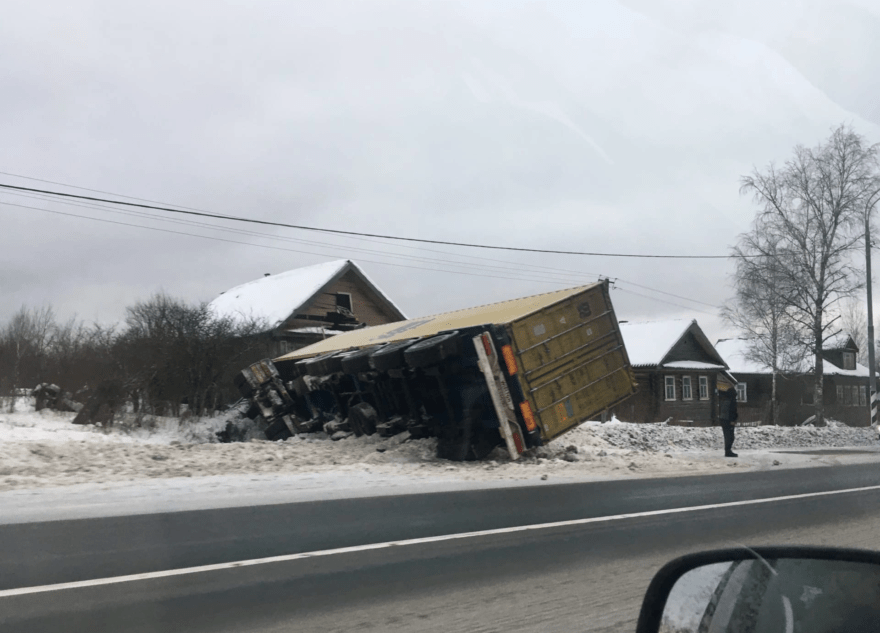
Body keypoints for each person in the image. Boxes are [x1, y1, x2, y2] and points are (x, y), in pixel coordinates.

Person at [718, 385, 738, 457]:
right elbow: (732, 411)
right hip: (728, 420)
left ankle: (728, 451)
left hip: (723, 420)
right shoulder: (731, 401)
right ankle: (728, 451)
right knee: (730, 437)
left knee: (727, 436)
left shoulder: (724, 399)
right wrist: (733, 420)